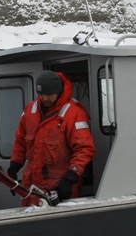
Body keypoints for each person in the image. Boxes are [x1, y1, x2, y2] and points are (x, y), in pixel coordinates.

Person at [8, 70, 96, 205]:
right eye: (41, 94)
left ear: (59, 92)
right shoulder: (31, 110)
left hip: (59, 187)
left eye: (49, 94)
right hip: (31, 185)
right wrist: (14, 167)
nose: (44, 98)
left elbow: (84, 149)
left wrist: (71, 177)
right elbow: (20, 141)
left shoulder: (74, 113)